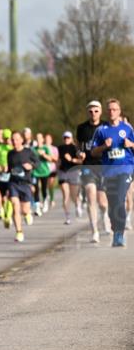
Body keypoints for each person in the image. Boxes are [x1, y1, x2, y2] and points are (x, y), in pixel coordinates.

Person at [90, 98, 134, 247]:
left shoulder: (127, 129)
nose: (111, 112)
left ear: (119, 111)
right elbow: (94, 152)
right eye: (109, 109)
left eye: (114, 109)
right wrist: (104, 146)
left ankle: (119, 234)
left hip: (126, 168)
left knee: (120, 200)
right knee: (113, 203)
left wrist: (131, 144)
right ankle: (116, 231)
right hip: (109, 172)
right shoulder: (101, 130)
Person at [77, 100, 109, 243]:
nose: (93, 113)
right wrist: (79, 153)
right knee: (91, 195)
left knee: (103, 202)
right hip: (88, 166)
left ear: (100, 111)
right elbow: (79, 146)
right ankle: (94, 231)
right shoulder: (82, 128)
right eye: (90, 111)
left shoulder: (106, 126)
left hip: (103, 165)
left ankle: (105, 215)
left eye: (96, 111)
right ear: (87, 112)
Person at [7, 131, 40, 242]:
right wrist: (2, 169)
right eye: (12, 139)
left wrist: (31, 165)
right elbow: (9, 169)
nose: (14, 141)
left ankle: (27, 213)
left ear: (21, 140)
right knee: (15, 207)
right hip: (13, 183)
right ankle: (19, 232)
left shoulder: (28, 152)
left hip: (25, 184)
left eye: (16, 139)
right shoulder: (10, 154)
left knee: (25, 210)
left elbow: (38, 163)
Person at [57, 131, 81, 224]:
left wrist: (71, 159)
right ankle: (67, 216)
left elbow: (81, 161)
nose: (66, 139)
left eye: (68, 138)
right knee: (65, 194)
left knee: (74, 195)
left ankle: (77, 204)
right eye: (65, 138)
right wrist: (57, 165)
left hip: (73, 171)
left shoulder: (75, 148)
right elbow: (58, 159)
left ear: (71, 139)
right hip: (63, 172)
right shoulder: (60, 148)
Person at [0, 129, 14, 228]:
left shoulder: (13, 148)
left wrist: (9, 166)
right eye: (5, 138)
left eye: (8, 138)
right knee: (3, 196)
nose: (7, 140)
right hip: (1, 175)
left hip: (12, 175)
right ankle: (5, 211)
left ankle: (8, 216)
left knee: (10, 195)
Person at [32, 132, 52, 217]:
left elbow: (50, 159)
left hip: (44, 172)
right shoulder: (33, 149)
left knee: (44, 189)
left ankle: (45, 202)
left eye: (40, 138)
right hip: (35, 172)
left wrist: (43, 154)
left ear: (42, 139)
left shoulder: (46, 148)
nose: (38, 140)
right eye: (37, 138)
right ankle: (37, 207)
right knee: (35, 189)